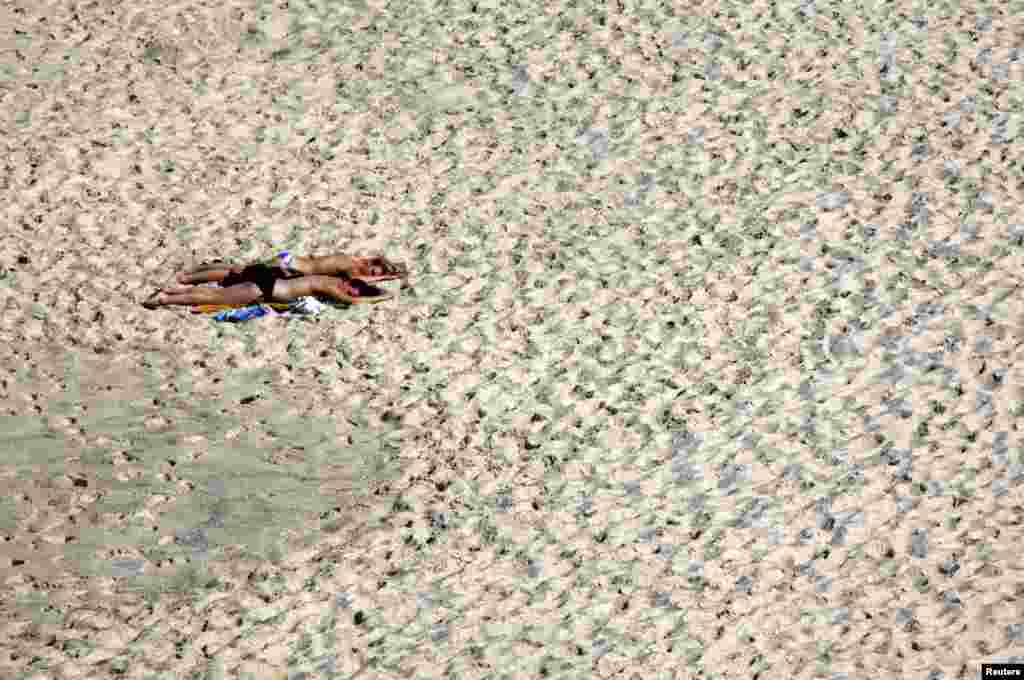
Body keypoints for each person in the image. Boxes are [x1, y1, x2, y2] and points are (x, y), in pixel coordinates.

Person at [141, 252, 407, 309]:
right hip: (269, 286)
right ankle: (166, 297)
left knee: (234, 271)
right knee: (217, 297)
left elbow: (358, 282)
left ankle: (184, 279)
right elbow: (352, 297)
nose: (353, 285)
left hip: (281, 267)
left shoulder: (339, 269)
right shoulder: (334, 284)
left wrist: (387, 273)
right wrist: (383, 291)